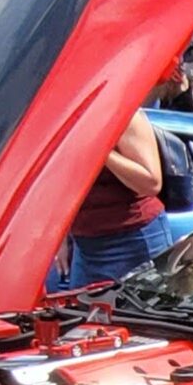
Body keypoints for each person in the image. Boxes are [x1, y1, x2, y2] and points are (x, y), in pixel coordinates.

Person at [64, 107, 170, 284]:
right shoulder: (64, 118)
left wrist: (101, 150)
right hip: (85, 245)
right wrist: (61, 237)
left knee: (142, 301)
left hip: (133, 238)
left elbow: (151, 183)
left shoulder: (123, 114)